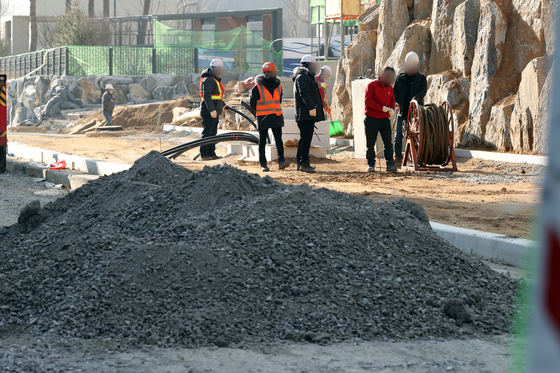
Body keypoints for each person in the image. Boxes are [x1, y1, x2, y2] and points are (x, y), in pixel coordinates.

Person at [249, 62, 290, 172]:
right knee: (262, 142)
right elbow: (252, 105)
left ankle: (282, 161)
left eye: (274, 73)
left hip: (276, 115)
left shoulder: (278, 86)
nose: (274, 75)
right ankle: (263, 164)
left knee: (278, 140)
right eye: (271, 73)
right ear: (266, 74)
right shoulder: (257, 88)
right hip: (263, 117)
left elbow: (279, 100)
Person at [393, 52, 427, 167]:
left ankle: (417, 157)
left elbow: (423, 91)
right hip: (402, 111)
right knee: (398, 135)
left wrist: (416, 98)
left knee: (417, 135)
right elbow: (395, 92)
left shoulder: (421, 78)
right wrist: (396, 102)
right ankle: (398, 157)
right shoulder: (400, 78)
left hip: (415, 112)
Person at [292, 55, 325, 173]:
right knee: (305, 140)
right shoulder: (302, 77)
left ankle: (303, 163)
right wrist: (311, 107)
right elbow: (304, 93)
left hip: (307, 115)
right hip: (305, 115)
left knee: (305, 139)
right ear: (309, 66)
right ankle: (303, 163)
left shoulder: (307, 77)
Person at [364, 67, 397, 173]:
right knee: (370, 144)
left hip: (384, 120)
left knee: (388, 143)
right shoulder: (371, 86)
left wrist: (392, 108)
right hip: (371, 119)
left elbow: (392, 100)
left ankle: (390, 164)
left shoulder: (390, 88)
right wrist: (381, 108)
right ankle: (371, 164)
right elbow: (368, 101)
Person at [199, 58, 228, 161]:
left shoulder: (214, 80)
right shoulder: (208, 80)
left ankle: (211, 153)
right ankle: (204, 155)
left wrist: (223, 105)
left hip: (214, 109)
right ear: (216, 69)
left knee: (213, 133)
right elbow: (207, 96)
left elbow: (217, 96)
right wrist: (211, 110)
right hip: (208, 110)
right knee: (207, 133)